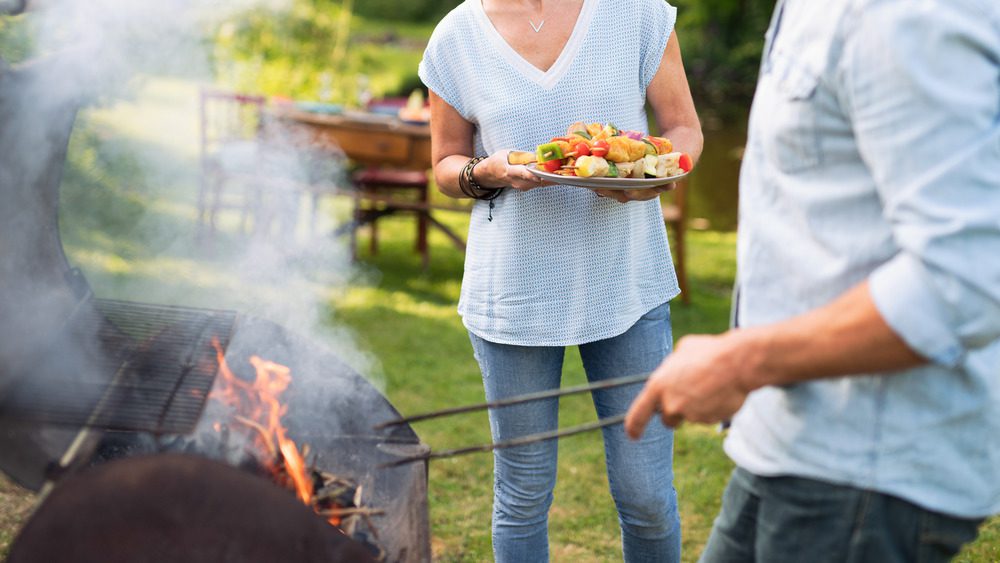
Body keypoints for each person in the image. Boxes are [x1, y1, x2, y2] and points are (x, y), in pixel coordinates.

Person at [624, 0, 1000, 561]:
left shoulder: (906, 13)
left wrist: (742, 361)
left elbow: (967, 276)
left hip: (866, 472)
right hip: (786, 440)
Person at [418, 0, 702, 560]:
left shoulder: (637, 14)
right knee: (523, 495)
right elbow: (446, 166)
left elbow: (683, 128)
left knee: (645, 494)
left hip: (626, 280)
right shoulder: (456, 36)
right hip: (514, 293)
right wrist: (486, 172)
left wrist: (657, 176)